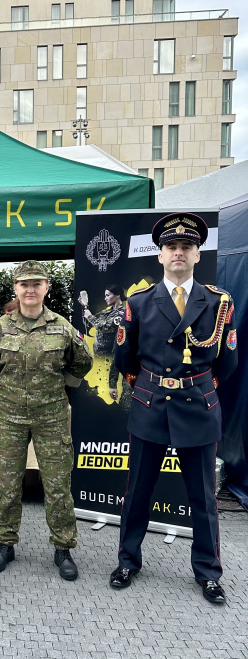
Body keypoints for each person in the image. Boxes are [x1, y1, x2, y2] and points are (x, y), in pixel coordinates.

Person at [111, 213, 238, 604]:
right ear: (160, 256)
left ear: (198, 255)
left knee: (203, 498)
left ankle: (208, 573)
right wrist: (148, 386)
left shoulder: (217, 302)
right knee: (138, 492)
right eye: (171, 247)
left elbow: (228, 362)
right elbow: (125, 358)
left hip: (197, 407)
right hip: (151, 405)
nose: (178, 252)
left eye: (186, 247)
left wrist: (197, 388)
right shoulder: (139, 302)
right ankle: (128, 561)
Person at [0, 261, 93, 579]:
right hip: (11, 417)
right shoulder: (1, 326)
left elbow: (83, 361)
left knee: (58, 486)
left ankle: (63, 548)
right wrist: (0, 385)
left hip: (51, 417)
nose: (30, 290)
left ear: (46, 288)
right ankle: (5, 544)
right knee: (7, 485)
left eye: (36, 284)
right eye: (24, 284)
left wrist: (67, 384)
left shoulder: (62, 327)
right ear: (16, 288)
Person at [79, 285, 125, 355]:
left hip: (110, 356)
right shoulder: (106, 312)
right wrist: (84, 306)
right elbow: (89, 323)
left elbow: (105, 327)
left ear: (117, 296)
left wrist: (90, 316)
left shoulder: (121, 313)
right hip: (98, 354)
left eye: (107, 295)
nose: (105, 298)